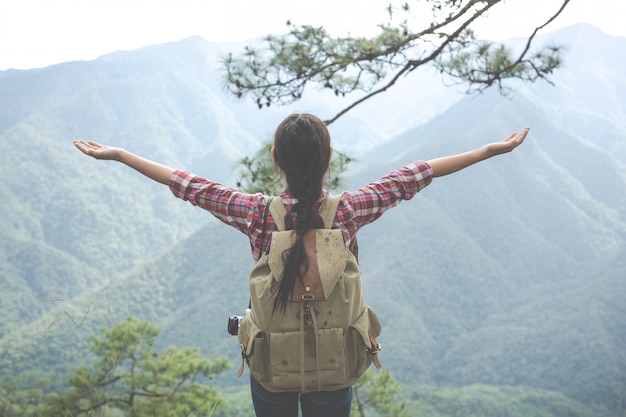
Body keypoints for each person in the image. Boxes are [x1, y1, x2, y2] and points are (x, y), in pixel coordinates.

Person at [74, 113, 529, 417]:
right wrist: (487, 151)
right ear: (329, 158)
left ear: (276, 161)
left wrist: (120, 155)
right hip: (336, 361)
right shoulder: (349, 210)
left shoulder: (254, 212)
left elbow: (187, 184)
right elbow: (414, 175)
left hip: (273, 364)